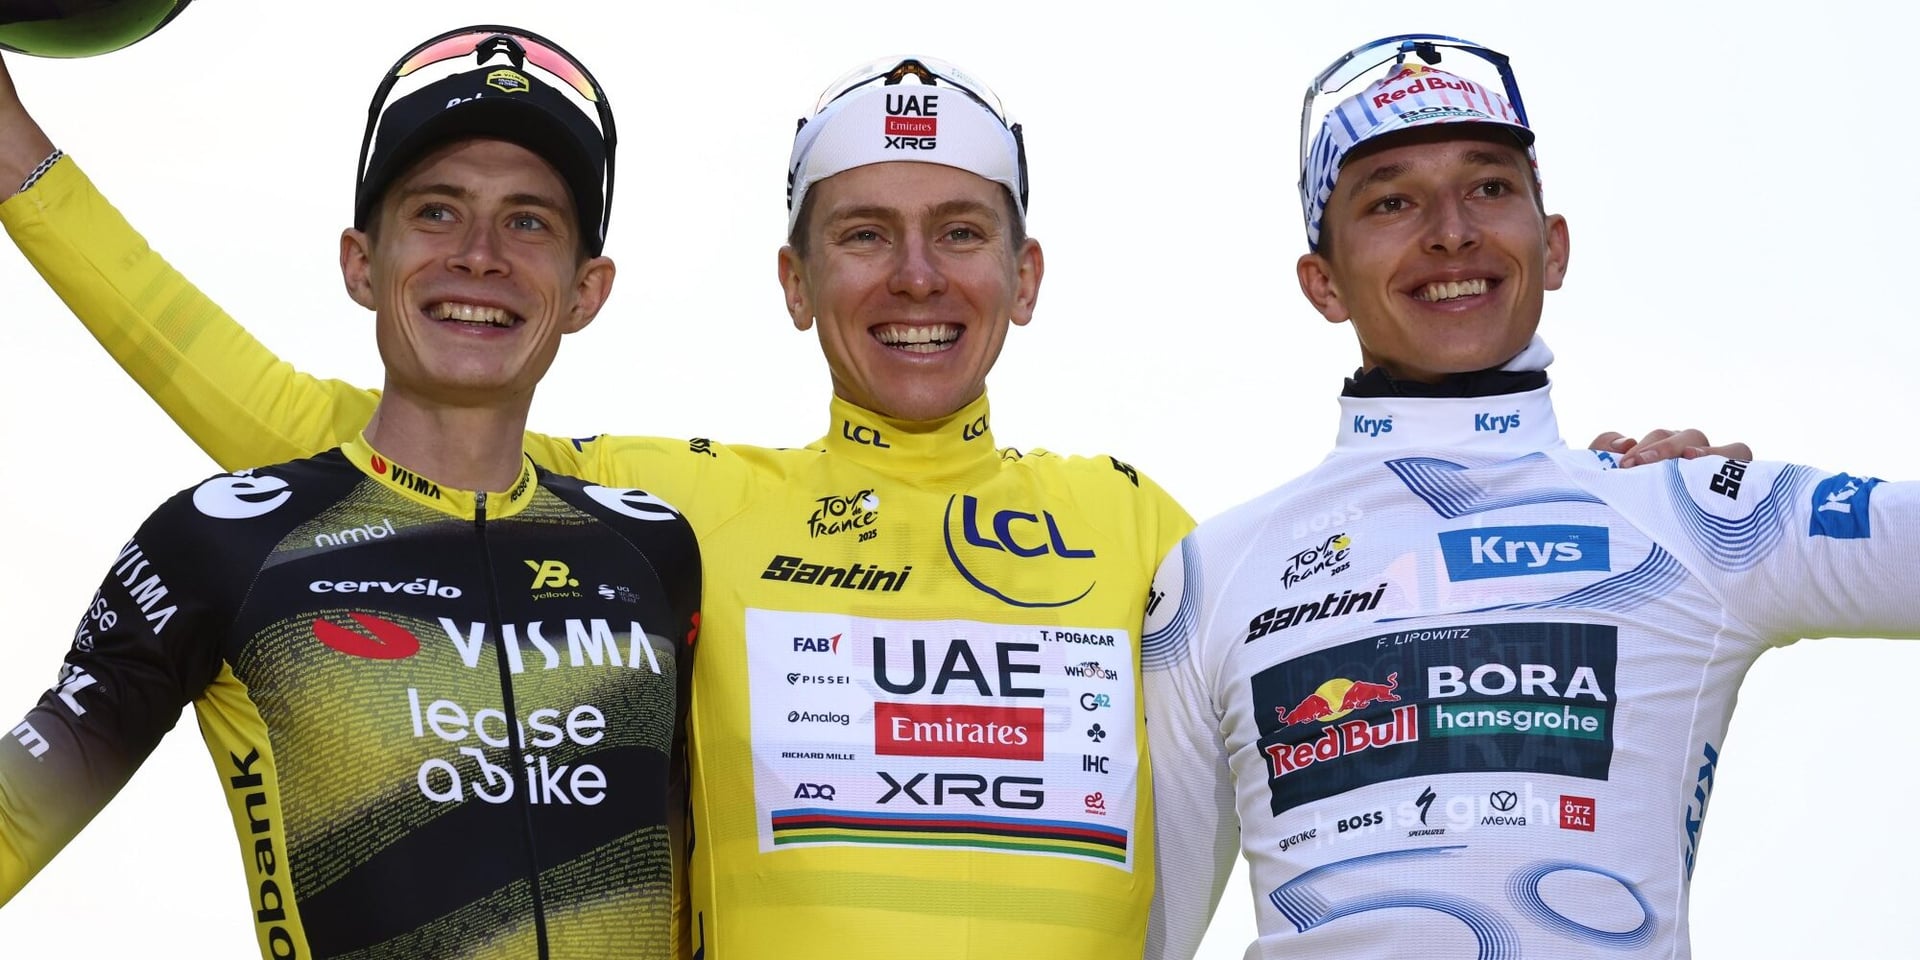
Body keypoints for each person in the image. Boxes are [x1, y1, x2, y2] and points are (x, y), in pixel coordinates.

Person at [0, 42, 1734, 958]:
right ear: (792, 278)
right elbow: (340, 440)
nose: (917, 278)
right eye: (864, 232)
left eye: (960, 231)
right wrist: (20, 161)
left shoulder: (1149, 527)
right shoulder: (672, 517)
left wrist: (1593, 485)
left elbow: (1390, 621)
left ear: (1029, 273)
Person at [1140, 34, 1920, 960]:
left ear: (1551, 248)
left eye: (1490, 187)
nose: (1451, 232)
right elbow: (1141, 932)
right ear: (1322, 283)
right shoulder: (1211, 573)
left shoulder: (1690, 512)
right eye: (1391, 200)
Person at [0, 25, 700, 960]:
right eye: (437, 212)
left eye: (529, 220)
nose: (481, 255)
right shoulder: (225, 542)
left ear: (587, 290)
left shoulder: (655, 548)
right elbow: (21, 808)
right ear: (361, 264)